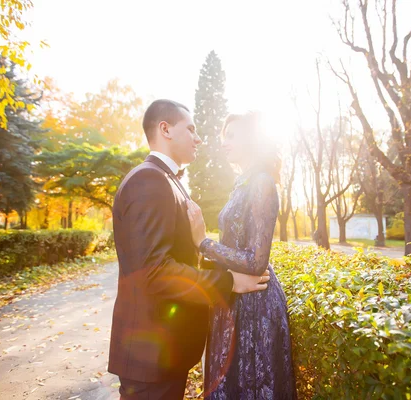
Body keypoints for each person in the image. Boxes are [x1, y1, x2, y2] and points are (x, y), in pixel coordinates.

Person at [108, 100, 271, 400]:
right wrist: (229, 282)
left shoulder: (169, 181)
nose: (199, 138)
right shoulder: (149, 180)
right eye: (191, 129)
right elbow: (155, 272)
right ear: (165, 129)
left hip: (165, 351)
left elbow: (180, 259)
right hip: (150, 356)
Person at [187, 111, 297, 399]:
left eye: (232, 136)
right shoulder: (242, 184)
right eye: (224, 136)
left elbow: (256, 261)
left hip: (256, 304)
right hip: (236, 299)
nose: (224, 142)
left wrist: (204, 243)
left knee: (252, 386)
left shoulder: (261, 182)